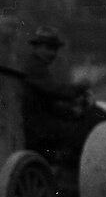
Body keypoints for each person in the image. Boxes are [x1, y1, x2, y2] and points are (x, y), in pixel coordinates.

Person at [21, 27, 93, 155]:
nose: (53, 53)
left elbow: (49, 100)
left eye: (55, 49)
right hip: (38, 126)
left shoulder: (38, 66)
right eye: (48, 48)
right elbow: (56, 91)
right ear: (37, 48)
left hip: (41, 122)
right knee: (82, 131)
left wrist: (70, 110)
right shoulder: (35, 67)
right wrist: (80, 87)